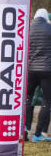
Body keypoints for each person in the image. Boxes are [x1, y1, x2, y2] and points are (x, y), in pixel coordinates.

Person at [25, 8, 51, 143]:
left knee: (27, 99)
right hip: (47, 70)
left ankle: (24, 130)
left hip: (30, 69)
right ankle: (38, 133)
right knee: (47, 102)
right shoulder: (49, 28)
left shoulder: (27, 29)